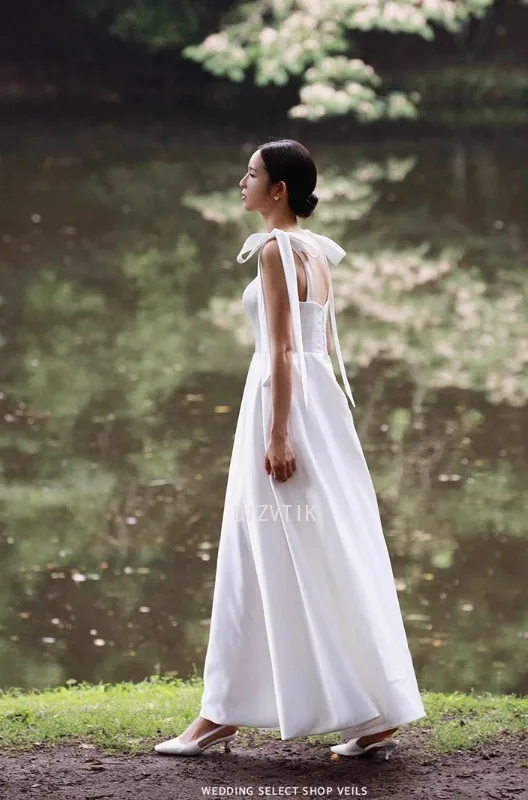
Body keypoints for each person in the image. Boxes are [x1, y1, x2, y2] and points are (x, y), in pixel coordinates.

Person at [154, 138, 425, 759]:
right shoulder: (315, 250)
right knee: (321, 547)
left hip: (282, 405)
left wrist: (278, 433)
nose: (241, 182)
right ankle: (362, 711)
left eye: (251, 174)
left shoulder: (277, 249)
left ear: (277, 189)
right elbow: (317, 348)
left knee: (258, 546)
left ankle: (223, 714)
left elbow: (280, 347)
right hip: (315, 404)